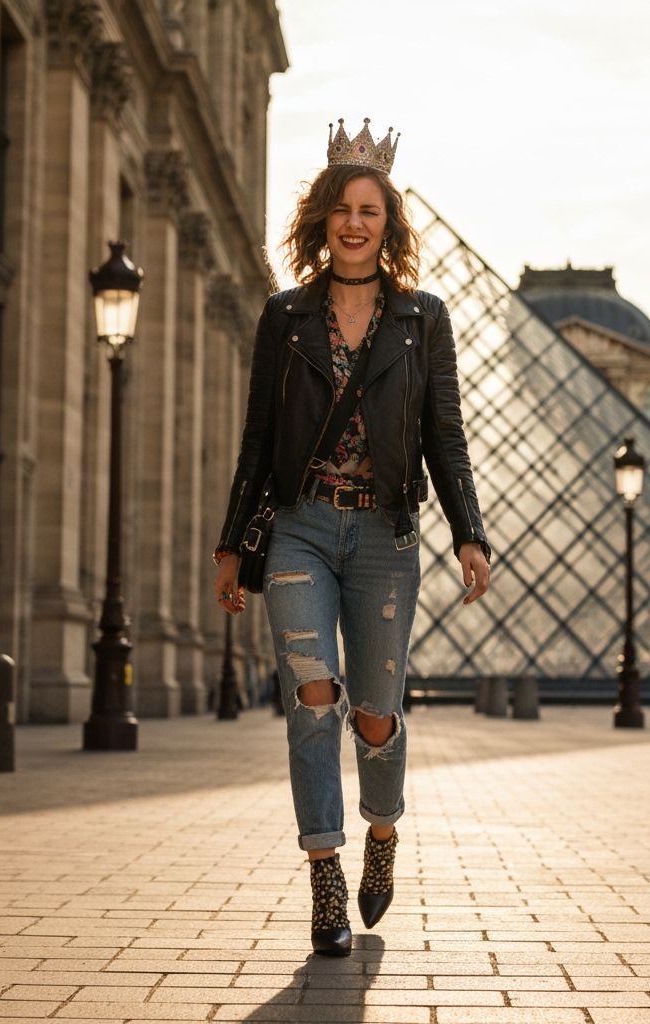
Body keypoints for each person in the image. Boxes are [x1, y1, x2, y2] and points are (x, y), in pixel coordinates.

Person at [212, 118, 491, 957]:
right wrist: (233, 543)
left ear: (388, 223)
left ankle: (382, 830)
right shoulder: (285, 316)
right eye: (343, 208)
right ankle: (324, 872)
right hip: (299, 527)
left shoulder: (423, 319)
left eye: (370, 210)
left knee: (374, 715)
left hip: (384, 535)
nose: (355, 223)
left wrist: (470, 534)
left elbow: (446, 437)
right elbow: (258, 439)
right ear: (323, 218)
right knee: (311, 697)